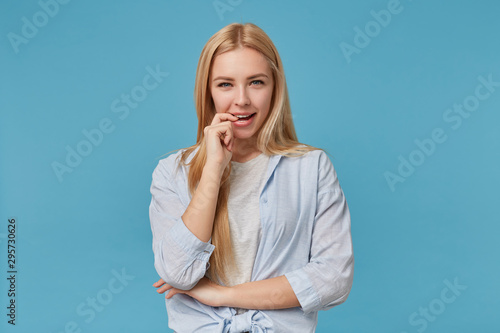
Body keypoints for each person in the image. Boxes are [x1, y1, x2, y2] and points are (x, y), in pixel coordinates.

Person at [149, 22, 354, 332]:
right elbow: (178, 273)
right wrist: (213, 171)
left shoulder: (312, 168)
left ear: (275, 88)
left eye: (256, 82)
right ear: (208, 91)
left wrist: (221, 295)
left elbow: (334, 278)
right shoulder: (172, 172)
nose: (241, 99)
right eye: (225, 84)